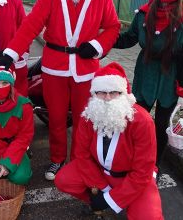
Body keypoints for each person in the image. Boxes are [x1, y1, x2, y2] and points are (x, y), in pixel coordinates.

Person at [0, 0, 121, 181]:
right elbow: (30, 26)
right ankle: (58, 160)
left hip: (86, 69)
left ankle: (80, 162)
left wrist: (98, 46)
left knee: (84, 119)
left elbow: (113, 27)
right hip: (54, 67)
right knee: (57, 119)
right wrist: (9, 55)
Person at [114, 0, 183, 167]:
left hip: (170, 74)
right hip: (146, 70)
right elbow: (129, 39)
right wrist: (104, 38)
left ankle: (154, 164)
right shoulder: (143, 14)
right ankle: (133, 158)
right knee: (137, 118)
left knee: (161, 124)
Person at [55, 62, 163, 219]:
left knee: (149, 217)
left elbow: (142, 171)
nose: (107, 98)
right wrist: (102, 186)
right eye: (101, 92)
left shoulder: (142, 121)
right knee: (64, 180)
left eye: (114, 92)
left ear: (124, 94)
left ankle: (117, 202)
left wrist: (109, 199)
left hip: (134, 179)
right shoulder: (90, 114)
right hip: (101, 173)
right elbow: (82, 155)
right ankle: (97, 201)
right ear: (94, 93)